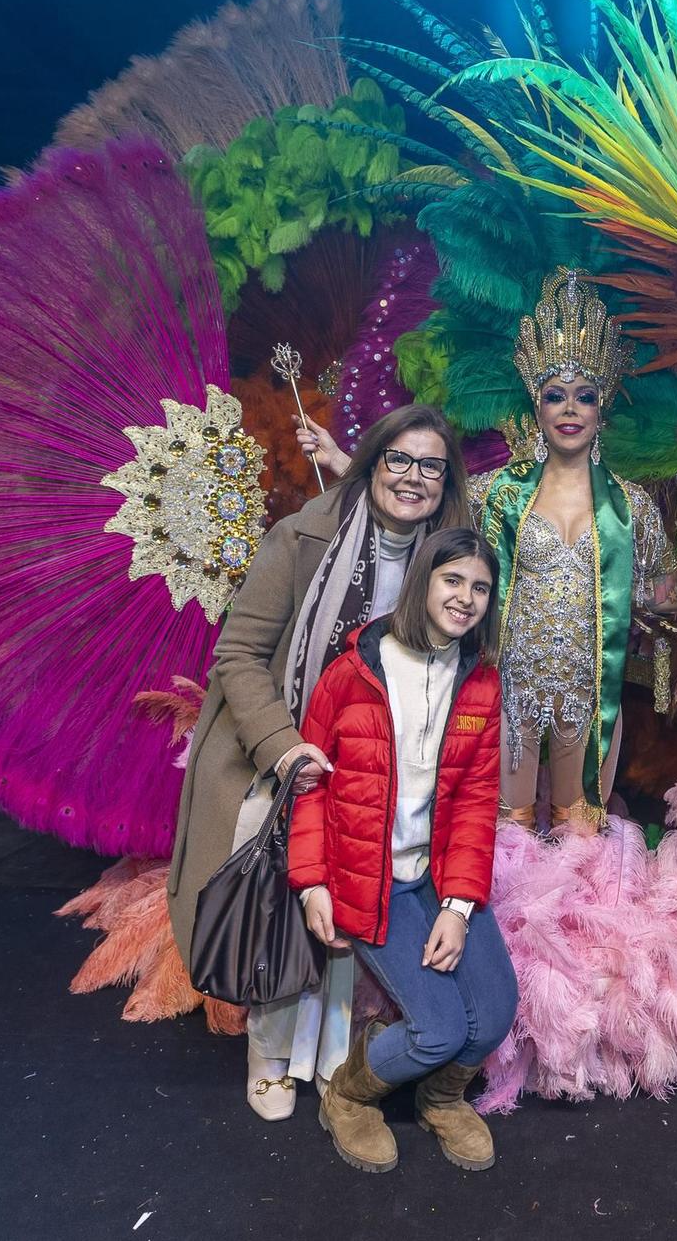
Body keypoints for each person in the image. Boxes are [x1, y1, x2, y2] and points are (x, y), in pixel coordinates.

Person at [165, 404, 469, 1122]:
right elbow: (238, 655)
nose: (413, 477)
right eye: (399, 458)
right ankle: (271, 1055)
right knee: (289, 875)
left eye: (431, 465)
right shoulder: (300, 536)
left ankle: (336, 1057)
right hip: (291, 744)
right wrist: (283, 746)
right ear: (371, 463)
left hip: (391, 764)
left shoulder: (452, 558)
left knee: (367, 887)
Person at [288, 527, 516, 1173]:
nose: (466, 597)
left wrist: (460, 905)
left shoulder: (480, 682)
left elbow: (474, 804)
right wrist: (313, 885)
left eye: (480, 587)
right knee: (438, 1029)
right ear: (423, 580)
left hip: (436, 877)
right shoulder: (353, 670)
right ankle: (348, 1094)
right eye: (453, 580)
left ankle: (442, 1100)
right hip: (367, 878)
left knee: (494, 1015)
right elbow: (309, 790)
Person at [472, 270, 669, 831]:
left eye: (585, 397)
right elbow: (430, 538)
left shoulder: (632, 508)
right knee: (505, 832)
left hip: (591, 693)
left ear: (600, 409)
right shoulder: (494, 496)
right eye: (555, 395)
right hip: (510, 686)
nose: (570, 409)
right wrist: (348, 465)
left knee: (581, 831)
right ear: (537, 406)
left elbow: (659, 596)